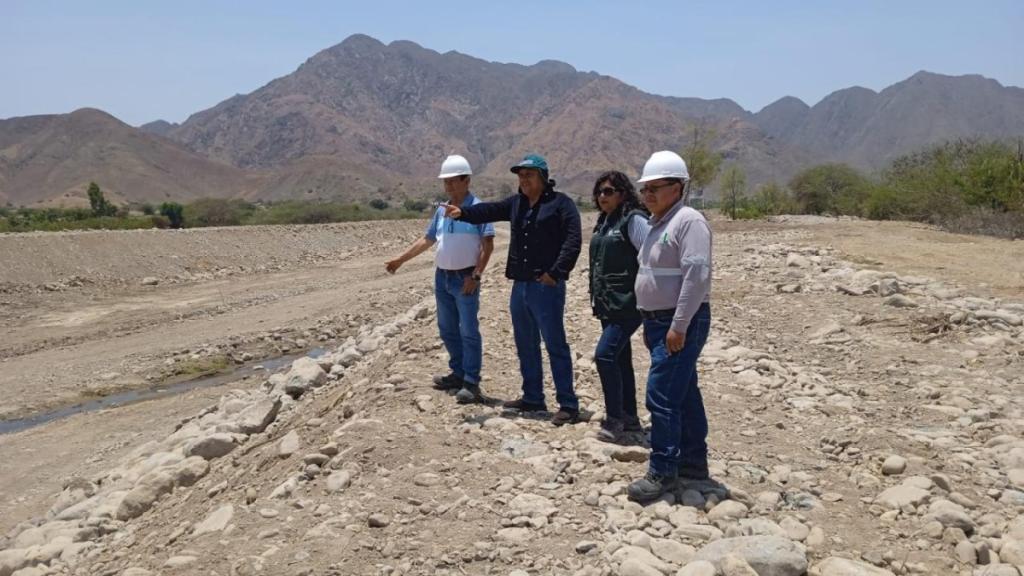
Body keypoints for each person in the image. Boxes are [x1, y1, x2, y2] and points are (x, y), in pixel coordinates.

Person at [443, 154, 583, 426]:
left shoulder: (561, 204)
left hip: (546, 287)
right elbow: (491, 210)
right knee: (525, 344)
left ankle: (568, 403)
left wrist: (555, 273)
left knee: (555, 344)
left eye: (529, 175)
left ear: (543, 177)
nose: (523, 180)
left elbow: (573, 240)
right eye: (520, 175)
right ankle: (533, 397)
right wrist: (464, 212)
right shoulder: (517, 203)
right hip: (520, 286)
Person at [626, 151, 714, 503]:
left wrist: (678, 325)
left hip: (678, 323)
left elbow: (697, 276)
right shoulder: (658, 223)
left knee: (661, 396)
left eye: (654, 188)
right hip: (658, 322)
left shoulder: (688, 221)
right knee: (684, 394)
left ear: (677, 187)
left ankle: (663, 470)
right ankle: (693, 463)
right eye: (644, 188)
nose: (647, 194)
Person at [385, 154, 494, 404]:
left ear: (466, 180)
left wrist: (476, 276)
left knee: (468, 330)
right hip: (442, 278)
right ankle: (457, 373)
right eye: (446, 182)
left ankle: (471, 381)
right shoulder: (443, 211)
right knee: (447, 329)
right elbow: (428, 239)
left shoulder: (478, 209)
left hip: (465, 278)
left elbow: (487, 246)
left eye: (453, 181)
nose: (449, 187)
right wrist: (400, 260)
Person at [587, 171, 649, 443]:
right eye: (599, 191)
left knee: (605, 355)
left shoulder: (633, 220)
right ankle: (629, 417)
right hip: (608, 302)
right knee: (621, 358)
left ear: (622, 193)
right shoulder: (604, 221)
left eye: (609, 191)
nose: (603, 196)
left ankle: (614, 420)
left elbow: (653, 256)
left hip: (628, 303)